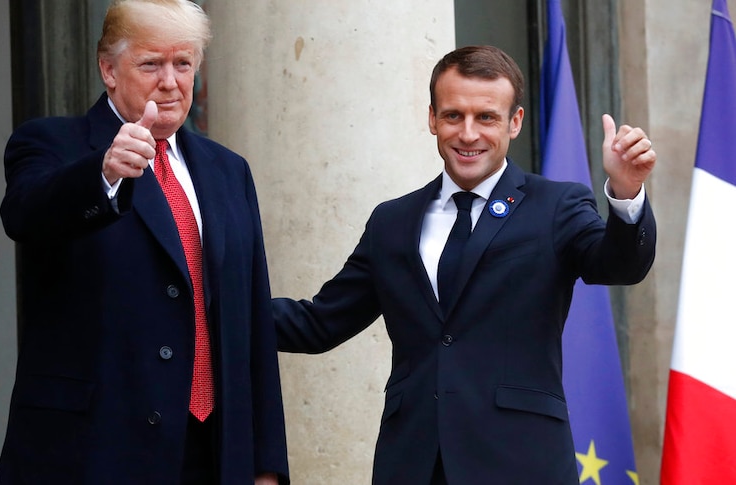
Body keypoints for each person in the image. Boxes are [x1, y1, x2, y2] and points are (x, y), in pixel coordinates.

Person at [273, 45, 656, 484]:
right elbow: (319, 322)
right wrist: (207, 308)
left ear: (515, 122)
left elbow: (619, 265)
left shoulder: (556, 205)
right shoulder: (392, 222)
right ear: (432, 118)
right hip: (413, 464)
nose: (468, 134)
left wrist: (626, 194)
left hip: (521, 464)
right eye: (454, 116)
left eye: (486, 117)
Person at [0, 1, 288, 484]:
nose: (170, 82)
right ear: (108, 69)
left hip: (214, 453)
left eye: (183, 64)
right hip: (97, 451)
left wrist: (266, 465)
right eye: (151, 64)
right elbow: (26, 214)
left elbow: (251, 318)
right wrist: (105, 173)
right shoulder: (52, 144)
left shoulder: (228, 170)